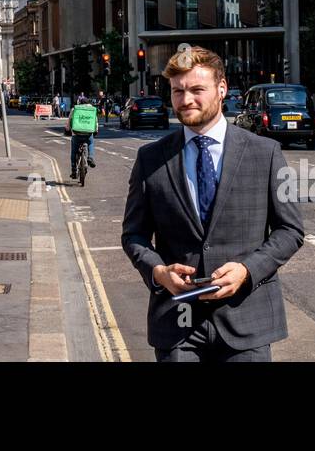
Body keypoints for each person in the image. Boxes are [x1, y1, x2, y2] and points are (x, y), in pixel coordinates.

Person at [122, 46, 304, 362]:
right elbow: (133, 235)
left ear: (222, 89)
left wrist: (248, 270)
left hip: (247, 321)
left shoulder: (267, 153)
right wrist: (160, 272)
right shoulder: (150, 159)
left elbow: (290, 230)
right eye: (178, 91)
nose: (186, 99)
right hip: (177, 324)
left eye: (196, 89)